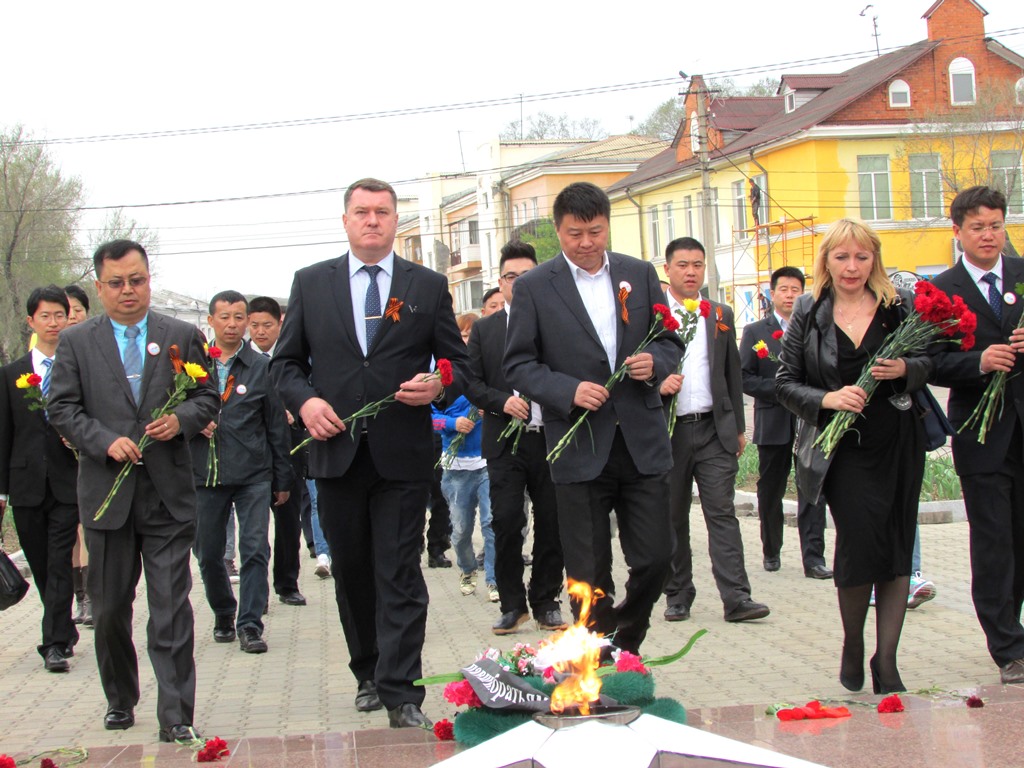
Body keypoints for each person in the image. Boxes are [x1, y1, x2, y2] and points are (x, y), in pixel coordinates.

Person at [270, 177, 468, 729]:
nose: (372, 220)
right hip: (335, 453)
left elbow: (458, 363)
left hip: (402, 456)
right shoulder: (312, 284)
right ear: (346, 221)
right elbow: (284, 365)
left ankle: (402, 692)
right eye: (362, 212)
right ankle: (367, 672)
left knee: (400, 571)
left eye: (382, 212)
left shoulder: (426, 286)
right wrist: (306, 404)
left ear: (394, 221)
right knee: (354, 571)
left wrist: (439, 384)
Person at [48, 239, 219, 741]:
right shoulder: (78, 342)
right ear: (100, 286)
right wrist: (104, 441)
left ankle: (176, 715)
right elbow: (61, 407)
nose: (129, 291)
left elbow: (208, 394)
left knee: (170, 608)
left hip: (167, 496)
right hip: (106, 497)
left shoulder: (181, 335)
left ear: (149, 279)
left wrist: (181, 419)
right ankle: (120, 699)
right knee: (108, 612)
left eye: (137, 280)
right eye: (117, 283)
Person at [504, 182, 680, 654]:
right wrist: (568, 390)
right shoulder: (537, 288)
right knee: (587, 572)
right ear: (558, 232)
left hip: (640, 442)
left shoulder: (638, 274)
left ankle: (627, 636)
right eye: (575, 234)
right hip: (578, 447)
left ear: (607, 226)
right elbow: (518, 364)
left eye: (595, 232)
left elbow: (669, 339)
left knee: (658, 558)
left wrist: (656, 363)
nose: (586, 243)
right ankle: (601, 656)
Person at [776, 218, 931, 695]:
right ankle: (851, 640)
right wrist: (828, 400)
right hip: (840, 448)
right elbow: (784, 382)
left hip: (897, 439)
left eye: (861, 257)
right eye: (842, 257)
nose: (852, 267)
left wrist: (906, 368)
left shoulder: (896, 306)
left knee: (896, 543)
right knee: (860, 542)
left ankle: (887, 660)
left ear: (874, 259)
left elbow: (930, 361)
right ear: (826, 261)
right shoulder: (809, 309)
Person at [929, 186, 1024, 684]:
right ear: (959, 232)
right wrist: (977, 362)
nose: (988, 235)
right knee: (993, 541)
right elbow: (929, 362)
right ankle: (1007, 647)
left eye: (996, 225)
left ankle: (1014, 626)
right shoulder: (943, 290)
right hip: (982, 434)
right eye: (978, 227)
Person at [659, 237, 770, 623]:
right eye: (683, 265)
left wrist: (739, 427)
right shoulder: (651, 317)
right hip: (668, 433)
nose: (691, 272)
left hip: (713, 430)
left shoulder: (719, 314)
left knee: (721, 513)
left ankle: (737, 597)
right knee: (672, 516)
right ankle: (677, 595)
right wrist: (658, 385)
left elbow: (732, 374)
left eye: (698, 265)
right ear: (667, 269)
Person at [465, 240, 566, 636]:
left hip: (551, 437)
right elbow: (469, 381)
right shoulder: (486, 330)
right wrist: (502, 401)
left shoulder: (557, 323)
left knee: (553, 522)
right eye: (511, 277)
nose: (519, 283)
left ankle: (546, 601)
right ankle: (512, 604)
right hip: (505, 442)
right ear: (501, 282)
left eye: (527, 276)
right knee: (506, 521)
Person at [191, 291, 293, 654]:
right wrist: (192, 422)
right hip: (204, 474)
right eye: (225, 317)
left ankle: (250, 624)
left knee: (254, 549)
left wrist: (282, 478)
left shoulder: (261, 367)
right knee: (208, 552)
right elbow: (169, 412)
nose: (232, 324)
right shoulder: (191, 366)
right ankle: (223, 611)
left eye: (239, 317)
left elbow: (276, 427)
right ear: (211, 321)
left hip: (253, 472)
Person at [0, 286, 79, 672]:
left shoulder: (76, 366)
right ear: (31, 321)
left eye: (59, 315)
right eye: (45, 316)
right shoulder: (12, 373)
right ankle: (62, 628)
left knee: (60, 561)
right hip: (26, 485)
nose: (53, 323)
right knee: (42, 564)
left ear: (68, 319)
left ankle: (54, 643)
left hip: (68, 482)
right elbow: (4, 434)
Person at [739, 267, 832, 579]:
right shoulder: (755, 332)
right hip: (773, 422)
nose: (790, 295)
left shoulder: (816, 328)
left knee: (811, 489)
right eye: (784, 289)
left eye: (796, 289)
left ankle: (814, 558)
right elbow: (744, 377)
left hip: (810, 422)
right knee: (770, 491)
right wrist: (782, 391)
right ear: (772, 293)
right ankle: (771, 550)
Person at [248, 295, 310, 604]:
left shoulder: (290, 358)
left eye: (267, 325)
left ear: (280, 324)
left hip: (289, 447)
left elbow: (307, 392)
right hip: (253, 451)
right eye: (255, 325)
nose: (260, 331)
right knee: (254, 528)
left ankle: (287, 583)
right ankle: (254, 591)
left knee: (288, 519)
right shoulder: (239, 361)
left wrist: (293, 410)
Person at [434, 313, 496, 601]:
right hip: (456, 467)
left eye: (473, 335)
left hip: (487, 463)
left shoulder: (487, 368)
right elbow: (428, 417)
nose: (468, 340)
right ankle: (467, 569)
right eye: (463, 335)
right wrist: (452, 423)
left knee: (491, 524)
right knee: (460, 531)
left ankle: (494, 580)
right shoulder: (440, 373)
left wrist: (491, 410)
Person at [64, 284, 93, 626]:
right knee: (71, 531)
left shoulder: (91, 350)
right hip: (56, 460)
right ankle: (79, 596)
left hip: (92, 452)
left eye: (75, 310)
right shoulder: (37, 360)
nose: (69, 317)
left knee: (88, 527)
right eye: (62, 311)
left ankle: (91, 597)